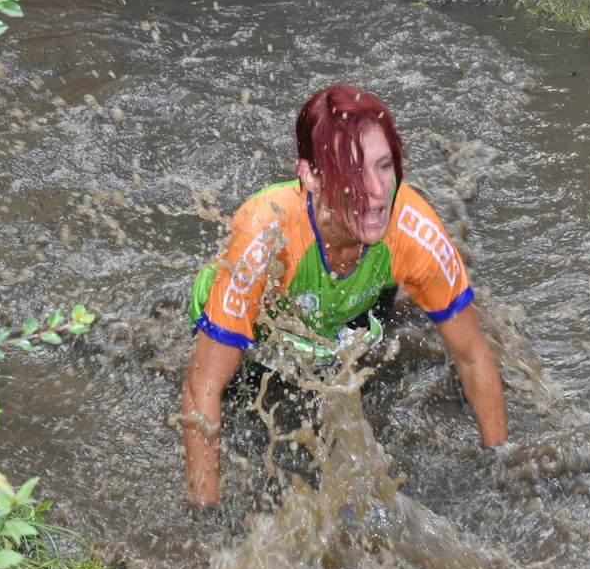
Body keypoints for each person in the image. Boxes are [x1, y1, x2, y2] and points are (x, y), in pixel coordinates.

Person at [180, 83, 507, 507]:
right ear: (312, 176)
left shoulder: (412, 227)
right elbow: (200, 390)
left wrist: (501, 470)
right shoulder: (267, 235)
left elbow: (473, 356)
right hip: (262, 330)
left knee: (430, 301)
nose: (376, 193)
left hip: (350, 311)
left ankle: (417, 292)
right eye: (353, 172)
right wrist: (203, 519)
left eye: (384, 166)